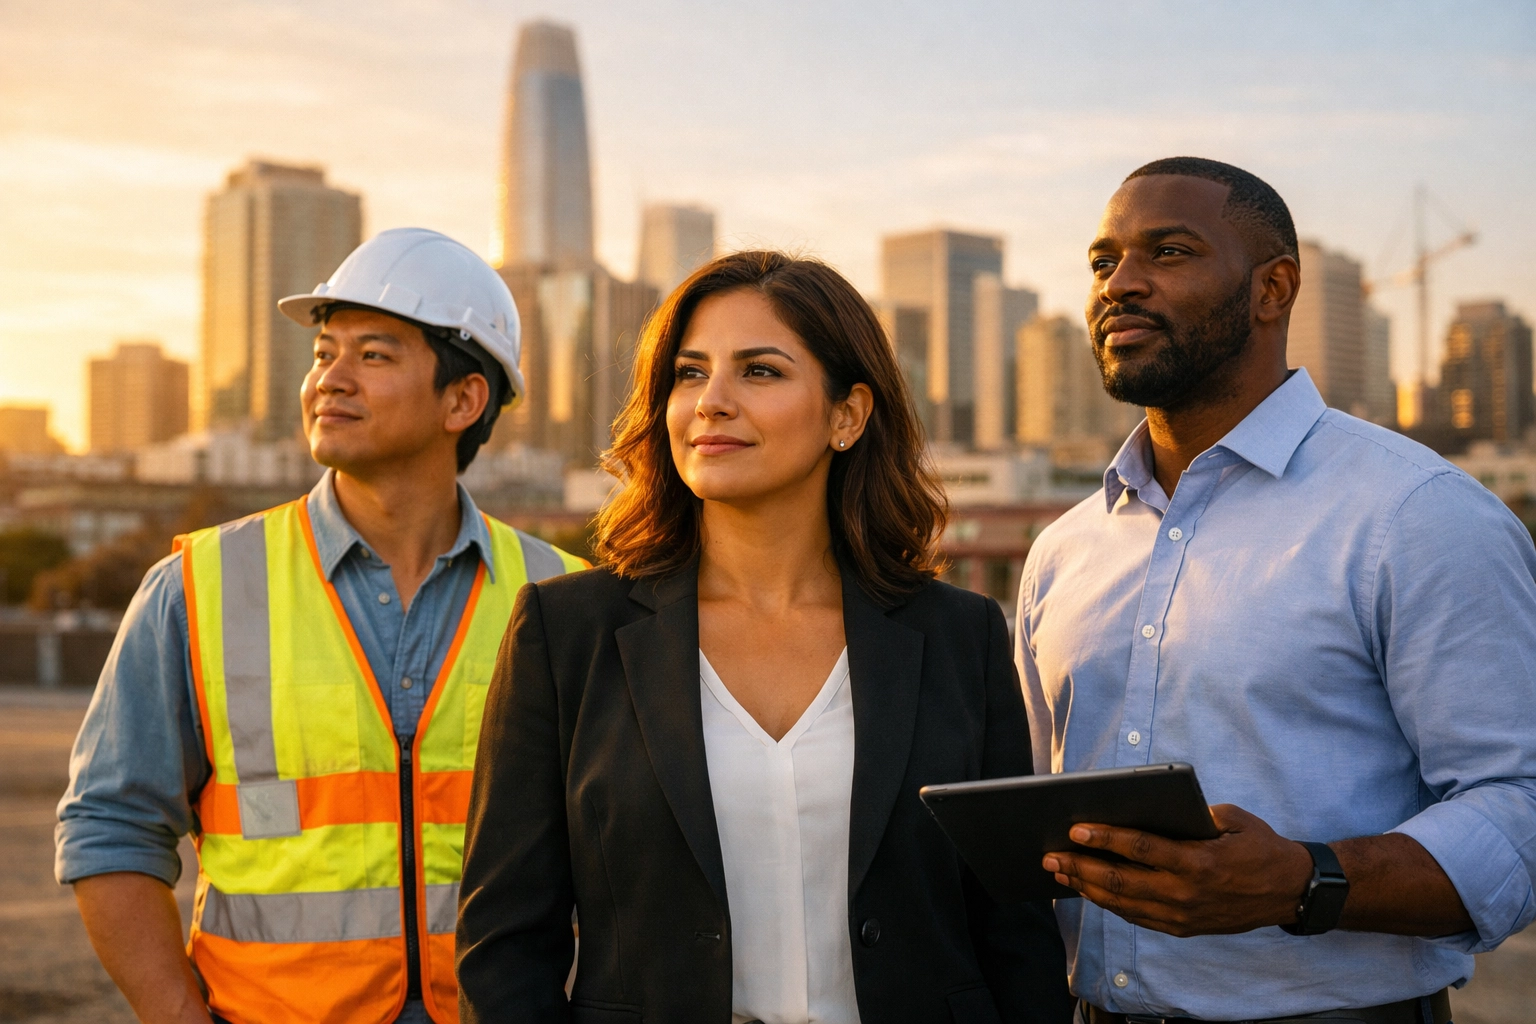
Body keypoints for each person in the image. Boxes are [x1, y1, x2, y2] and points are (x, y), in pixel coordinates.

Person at [457, 251, 1074, 1023]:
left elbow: (1013, 932)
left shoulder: (960, 636)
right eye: (688, 373)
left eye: (759, 372)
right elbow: (505, 941)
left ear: (847, 415)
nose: (711, 402)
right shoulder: (567, 633)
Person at [1017, 156, 1536, 1023]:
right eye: (1103, 263)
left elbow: (1521, 806)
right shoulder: (1063, 551)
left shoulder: (1418, 515)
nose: (1121, 285)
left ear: (1274, 288)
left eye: (1169, 253)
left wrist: (1305, 880)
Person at [56, 227, 586, 1024]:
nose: (329, 380)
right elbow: (109, 826)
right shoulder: (197, 588)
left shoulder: (563, 596)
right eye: (322, 354)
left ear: (464, 399)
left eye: (373, 355)